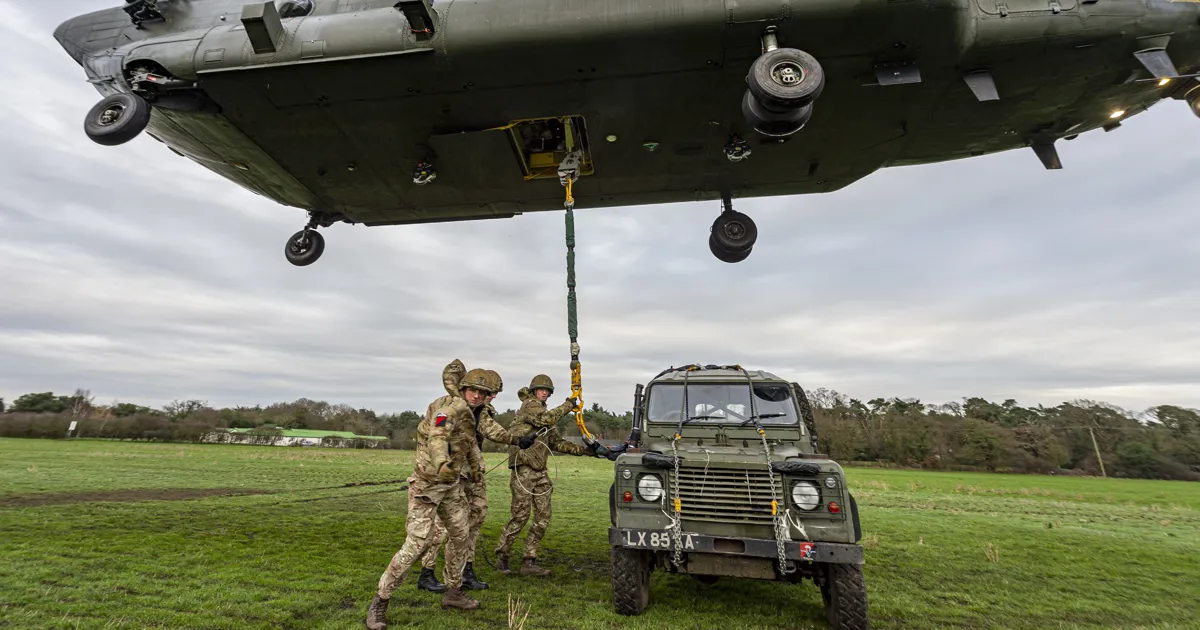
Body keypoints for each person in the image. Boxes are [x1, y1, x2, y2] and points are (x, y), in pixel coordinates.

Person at [366, 365, 535, 628]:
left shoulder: (474, 416)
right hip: (427, 486)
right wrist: (442, 463)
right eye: (473, 390)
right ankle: (380, 601)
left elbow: (469, 447)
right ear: (463, 388)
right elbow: (438, 435)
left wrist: (477, 471)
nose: (477, 396)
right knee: (416, 544)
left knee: (461, 534)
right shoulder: (447, 407)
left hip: (452, 487)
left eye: (484, 393)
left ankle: (453, 592)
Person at [416, 365, 520, 593]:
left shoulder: (480, 409)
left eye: (491, 393)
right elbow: (439, 437)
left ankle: (465, 570)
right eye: (486, 392)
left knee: (476, 515)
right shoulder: (449, 406)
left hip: (471, 472)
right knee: (443, 525)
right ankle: (427, 571)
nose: (488, 397)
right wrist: (516, 439)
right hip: (447, 472)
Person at [494, 374, 595, 577]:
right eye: (541, 390)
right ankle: (502, 555)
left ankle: (529, 560)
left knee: (543, 516)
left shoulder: (545, 416)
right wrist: (569, 404)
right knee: (520, 516)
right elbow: (547, 418)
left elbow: (557, 443)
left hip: (541, 472)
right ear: (533, 391)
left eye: (547, 391)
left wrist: (585, 450)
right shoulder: (530, 407)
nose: (544, 393)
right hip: (523, 470)